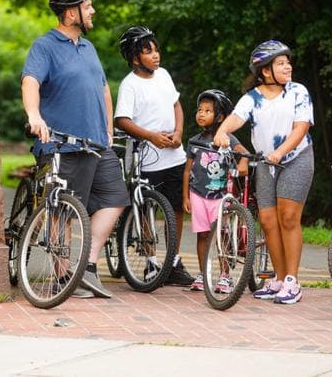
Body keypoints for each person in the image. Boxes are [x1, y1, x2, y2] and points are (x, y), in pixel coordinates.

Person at [21, 0, 130, 299]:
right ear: (72, 13)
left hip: (97, 143)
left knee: (115, 199)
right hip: (62, 143)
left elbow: (103, 88)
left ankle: (87, 266)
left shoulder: (88, 47)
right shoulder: (45, 46)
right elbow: (31, 81)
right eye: (88, 6)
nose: (93, 10)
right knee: (64, 212)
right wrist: (34, 115)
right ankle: (63, 275)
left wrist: (108, 130)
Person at [214, 40, 314, 305]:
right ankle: (279, 279)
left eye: (288, 62)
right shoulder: (253, 97)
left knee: (288, 217)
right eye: (281, 63)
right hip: (266, 165)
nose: (288, 66)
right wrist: (222, 131)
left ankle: (293, 281)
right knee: (268, 222)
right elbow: (235, 118)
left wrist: (280, 152)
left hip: (296, 158)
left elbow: (301, 128)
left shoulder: (298, 92)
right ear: (265, 71)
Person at [114, 26, 194, 286]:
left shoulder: (164, 76)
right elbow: (122, 120)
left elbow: (176, 105)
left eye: (156, 49)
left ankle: (173, 261)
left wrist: (179, 131)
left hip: (174, 155)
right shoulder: (130, 85)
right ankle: (150, 262)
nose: (156, 55)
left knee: (175, 209)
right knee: (147, 208)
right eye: (148, 52)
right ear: (135, 58)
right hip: (147, 157)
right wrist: (150, 136)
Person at [183, 89, 249, 292]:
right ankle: (203, 274)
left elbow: (244, 153)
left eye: (207, 111)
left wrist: (243, 164)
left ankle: (225, 275)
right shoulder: (194, 141)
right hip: (197, 194)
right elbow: (187, 171)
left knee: (222, 235)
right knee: (202, 235)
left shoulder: (228, 138)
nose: (201, 114)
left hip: (221, 196)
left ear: (220, 116)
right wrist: (185, 196)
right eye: (199, 110)